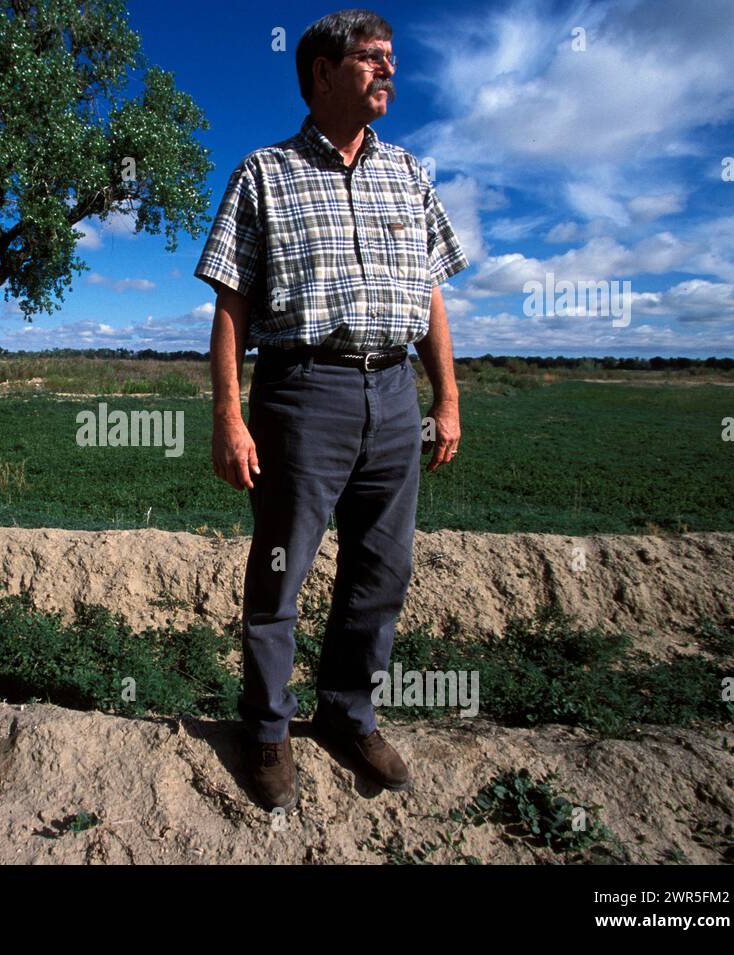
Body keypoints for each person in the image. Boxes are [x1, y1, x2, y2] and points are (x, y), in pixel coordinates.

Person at [192, 9, 468, 810]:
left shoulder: (410, 173)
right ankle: (268, 730)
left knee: (382, 568)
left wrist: (446, 397)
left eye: (391, 58)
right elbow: (231, 307)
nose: (389, 70)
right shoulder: (264, 173)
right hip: (302, 391)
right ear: (321, 72)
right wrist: (228, 416)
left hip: (393, 391)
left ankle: (349, 714)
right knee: (282, 569)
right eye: (371, 58)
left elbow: (429, 295)